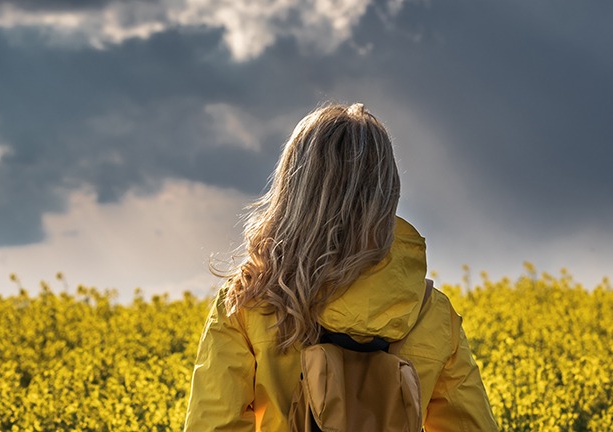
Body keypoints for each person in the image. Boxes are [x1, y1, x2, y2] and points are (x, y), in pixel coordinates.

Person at [183, 103, 498, 431]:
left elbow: (214, 426)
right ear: (387, 191)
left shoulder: (250, 300)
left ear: (294, 189)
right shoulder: (430, 314)